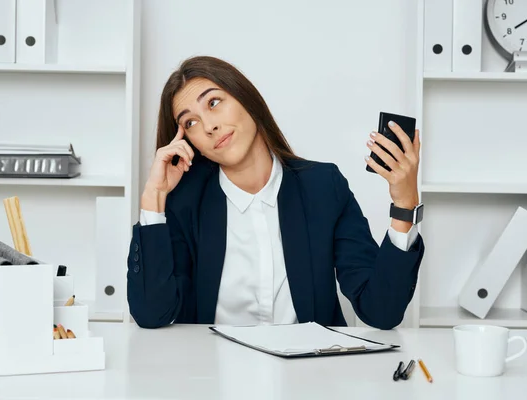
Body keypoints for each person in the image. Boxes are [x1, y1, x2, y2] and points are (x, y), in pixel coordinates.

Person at [127, 56, 425, 330]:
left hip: (310, 377)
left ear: (246, 98)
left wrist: (404, 205)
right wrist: (154, 198)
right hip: (213, 379)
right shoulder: (186, 202)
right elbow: (153, 315)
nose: (209, 126)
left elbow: (381, 311)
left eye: (214, 103)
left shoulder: (322, 187)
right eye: (190, 122)